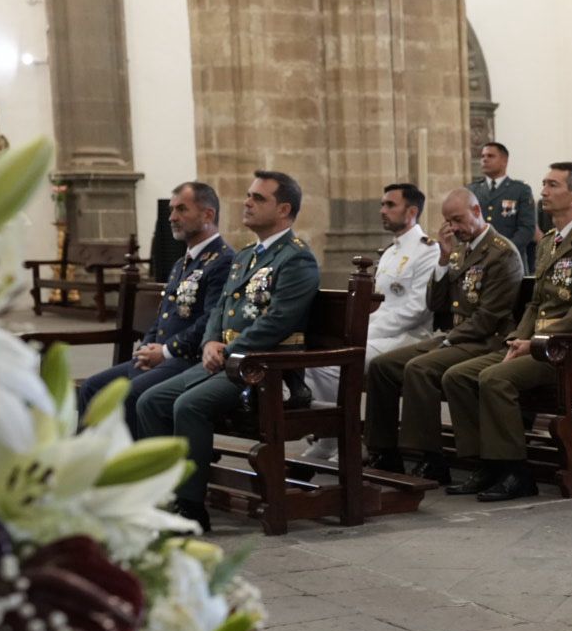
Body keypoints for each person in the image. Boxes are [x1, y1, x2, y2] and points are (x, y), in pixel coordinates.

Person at [137, 171, 322, 533]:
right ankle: (161, 492)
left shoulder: (297, 259)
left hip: (264, 369)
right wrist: (209, 342)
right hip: (230, 362)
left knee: (187, 405)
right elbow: (219, 310)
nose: (247, 203)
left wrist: (229, 350)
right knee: (150, 401)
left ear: (284, 209)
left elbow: (278, 321)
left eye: (258, 198)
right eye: (248, 196)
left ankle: (191, 509)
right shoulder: (247, 256)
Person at [441, 162, 572, 502]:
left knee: (494, 378)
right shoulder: (549, 242)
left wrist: (534, 342)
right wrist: (517, 340)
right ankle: (484, 464)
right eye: (544, 184)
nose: (544, 192)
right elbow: (534, 305)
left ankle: (515, 472)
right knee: (457, 376)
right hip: (537, 346)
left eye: (553, 185)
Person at [364, 188, 522, 483]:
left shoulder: (501, 253)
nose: (454, 228)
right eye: (449, 221)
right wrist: (444, 259)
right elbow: (436, 304)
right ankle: (384, 451)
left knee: (420, 369)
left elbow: (488, 318)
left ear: (477, 212)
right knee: (382, 366)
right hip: (458, 335)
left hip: (485, 340)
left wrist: (448, 339)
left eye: (459, 220)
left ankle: (431, 458)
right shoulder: (460, 250)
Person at [76, 181, 233, 438]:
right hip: (160, 357)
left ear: (208, 214)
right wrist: (147, 347)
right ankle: (90, 465)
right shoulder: (181, 263)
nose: (172, 217)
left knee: (130, 393)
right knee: (92, 388)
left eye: (182, 210)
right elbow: (164, 315)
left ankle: (134, 470)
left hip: (187, 360)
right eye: (171, 210)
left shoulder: (223, 261)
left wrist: (166, 351)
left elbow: (211, 320)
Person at [300, 183, 441, 463]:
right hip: (380, 334)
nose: (382, 211)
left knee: (334, 363)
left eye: (390, 205)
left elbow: (416, 310)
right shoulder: (389, 251)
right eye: (382, 204)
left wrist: (361, 332)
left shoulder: (428, 251)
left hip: (410, 338)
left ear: (412, 211)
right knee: (312, 359)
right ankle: (329, 439)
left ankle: (348, 440)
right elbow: (380, 304)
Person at [467, 141, 538, 272]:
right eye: (482, 156)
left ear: (504, 161)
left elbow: (527, 228)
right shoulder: (472, 190)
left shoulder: (520, 190)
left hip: (511, 260)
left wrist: (504, 250)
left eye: (490, 156)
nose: (485, 159)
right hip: (478, 260)